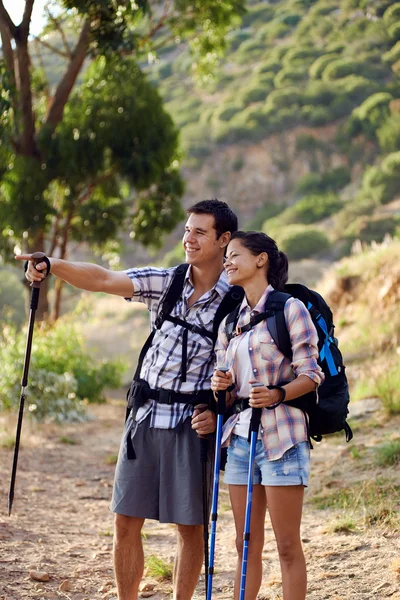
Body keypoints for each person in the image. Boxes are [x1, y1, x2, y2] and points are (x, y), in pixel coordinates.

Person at [18, 199, 239, 600]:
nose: (188, 238)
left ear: (224, 239)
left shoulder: (236, 298)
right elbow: (103, 278)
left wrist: (222, 408)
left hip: (192, 424)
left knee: (191, 528)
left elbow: (248, 366)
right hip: (145, 415)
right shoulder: (168, 281)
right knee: (125, 521)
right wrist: (52, 264)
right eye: (187, 230)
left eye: (200, 232)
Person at [211, 231, 324, 600]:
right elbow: (228, 393)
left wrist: (277, 393)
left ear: (261, 259)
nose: (226, 262)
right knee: (245, 545)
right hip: (241, 438)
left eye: (234, 255)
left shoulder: (291, 309)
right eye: (225, 257)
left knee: (287, 546)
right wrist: (222, 385)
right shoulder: (231, 321)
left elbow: (311, 375)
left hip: (284, 439)